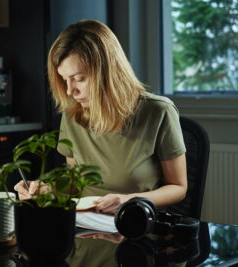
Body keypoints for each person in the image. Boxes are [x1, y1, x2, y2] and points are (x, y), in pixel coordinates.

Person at [14, 19, 187, 215]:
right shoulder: (72, 115)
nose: (70, 91)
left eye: (79, 79)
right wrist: (45, 189)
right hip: (84, 229)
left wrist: (128, 201)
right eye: (64, 79)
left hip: (134, 229)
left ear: (108, 73)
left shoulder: (158, 112)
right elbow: (74, 181)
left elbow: (178, 188)